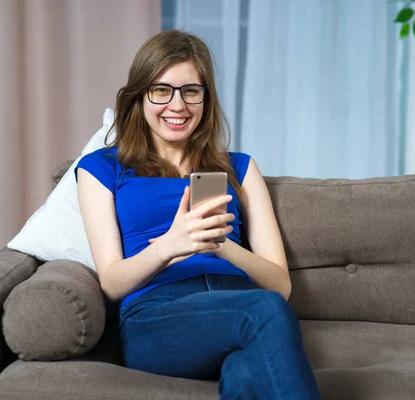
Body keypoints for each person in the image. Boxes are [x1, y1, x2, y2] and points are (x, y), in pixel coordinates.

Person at [75, 30, 322, 399]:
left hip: (238, 305)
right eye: (162, 90)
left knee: (245, 376)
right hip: (157, 315)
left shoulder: (239, 167)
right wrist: (170, 246)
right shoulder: (102, 168)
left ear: (206, 99)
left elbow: (280, 286)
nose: (178, 106)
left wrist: (221, 246)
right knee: (264, 312)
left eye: (191, 91)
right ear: (140, 96)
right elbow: (110, 282)